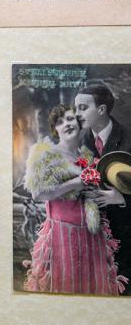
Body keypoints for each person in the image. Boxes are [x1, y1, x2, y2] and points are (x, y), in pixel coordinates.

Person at [23, 104, 126, 295]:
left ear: (79, 123)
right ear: (56, 129)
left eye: (70, 119)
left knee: (93, 288)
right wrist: (75, 182)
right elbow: (38, 194)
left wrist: (112, 195)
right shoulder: (46, 155)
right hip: (62, 234)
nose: (66, 124)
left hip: (92, 234)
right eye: (60, 122)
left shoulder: (88, 157)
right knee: (65, 287)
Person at [75, 83, 131, 294]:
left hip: (126, 234)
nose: (77, 114)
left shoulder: (128, 138)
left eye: (83, 108)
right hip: (92, 236)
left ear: (101, 109)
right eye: (76, 108)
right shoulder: (80, 140)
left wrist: (121, 198)